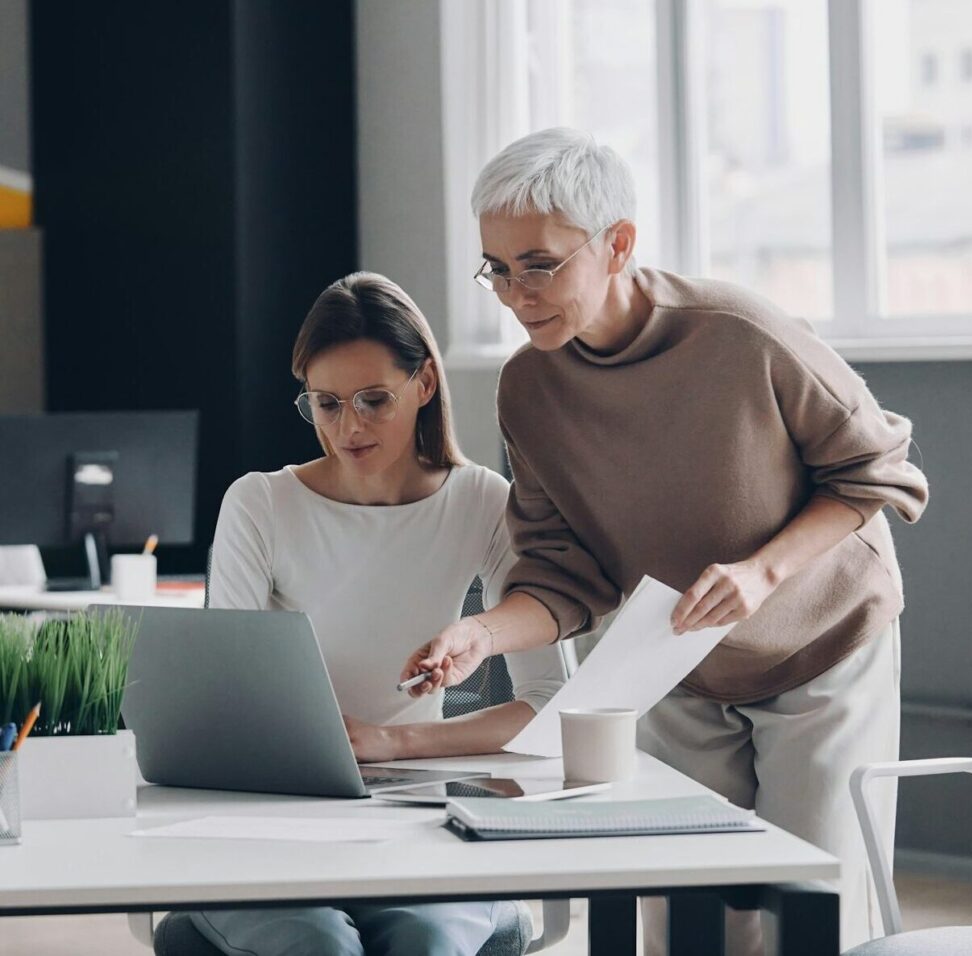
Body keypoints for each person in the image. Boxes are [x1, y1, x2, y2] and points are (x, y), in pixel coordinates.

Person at [401, 128, 929, 955]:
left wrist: (764, 572)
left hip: (823, 645)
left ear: (617, 245)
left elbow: (878, 470)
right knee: (685, 919)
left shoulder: (741, 332)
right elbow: (562, 572)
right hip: (674, 661)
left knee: (811, 913)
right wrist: (481, 633)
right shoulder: (529, 389)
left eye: (538, 264)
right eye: (497, 269)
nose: (515, 294)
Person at [190, 271, 566, 956]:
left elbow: (551, 702)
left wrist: (395, 743)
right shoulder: (261, 503)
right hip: (271, 816)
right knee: (318, 946)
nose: (349, 427)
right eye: (326, 404)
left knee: (428, 940)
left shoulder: (482, 500)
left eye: (373, 400)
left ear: (424, 384)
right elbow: (221, 707)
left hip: (413, 815)